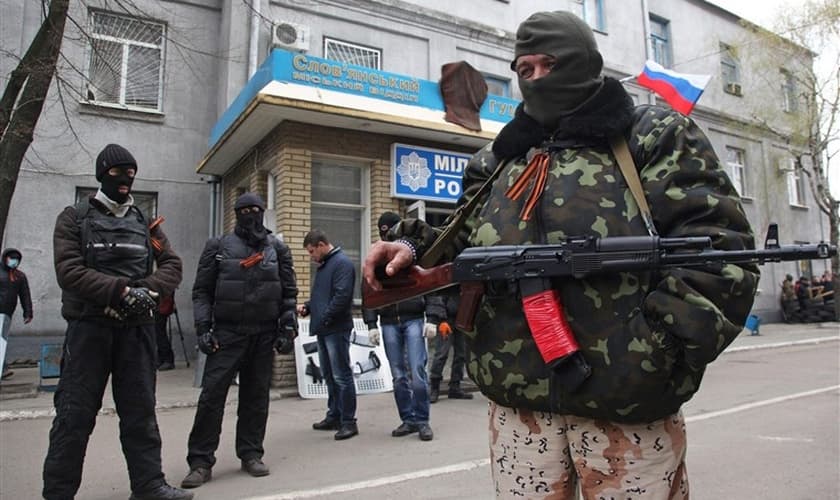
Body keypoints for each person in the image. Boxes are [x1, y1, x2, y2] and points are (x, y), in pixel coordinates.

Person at [363, 11, 759, 499]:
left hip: (628, 413)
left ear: (583, 63)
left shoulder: (651, 135)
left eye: (548, 64)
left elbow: (721, 253)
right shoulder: (501, 157)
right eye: (523, 69)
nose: (534, 79)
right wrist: (406, 246)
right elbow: (460, 239)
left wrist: (657, 355)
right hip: (518, 414)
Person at [44, 144, 191, 500]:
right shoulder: (74, 218)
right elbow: (69, 271)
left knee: (140, 412)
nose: (125, 180)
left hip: (136, 332)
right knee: (74, 415)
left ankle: (149, 486)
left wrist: (144, 292)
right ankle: (58, 493)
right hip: (89, 330)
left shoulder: (144, 222)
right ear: (101, 174)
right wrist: (120, 292)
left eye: (131, 173)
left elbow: (172, 265)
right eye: (117, 173)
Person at [181, 192, 298, 489]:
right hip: (227, 334)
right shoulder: (218, 247)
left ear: (262, 212)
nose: (250, 215)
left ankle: (250, 453)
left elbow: (288, 293)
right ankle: (200, 461)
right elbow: (201, 292)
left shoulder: (278, 249)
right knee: (211, 398)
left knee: (256, 398)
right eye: (244, 210)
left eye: (255, 210)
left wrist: (287, 328)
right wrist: (203, 328)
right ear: (236, 214)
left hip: (263, 334)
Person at [362, 212, 434, 441]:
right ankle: (408, 419)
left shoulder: (412, 255)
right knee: (398, 375)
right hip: (389, 322)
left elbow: (431, 284)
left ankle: (422, 420)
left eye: (389, 229)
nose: (385, 233)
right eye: (382, 230)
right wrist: (371, 323)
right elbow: (368, 291)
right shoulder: (377, 257)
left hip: (413, 318)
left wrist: (432, 317)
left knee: (417, 373)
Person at [298, 229, 358, 440]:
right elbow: (323, 297)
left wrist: (323, 317)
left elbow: (342, 297)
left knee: (341, 375)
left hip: (335, 328)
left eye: (312, 251)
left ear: (322, 244)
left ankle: (349, 422)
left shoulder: (342, 264)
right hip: (325, 327)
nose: (311, 256)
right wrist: (308, 307)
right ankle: (334, 415)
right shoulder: (325, 266)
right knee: (330, 376)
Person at [425, 290, 473, 403]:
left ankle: (455, 386)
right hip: (446, 318)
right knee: (441, 353)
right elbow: (438, 296)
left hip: (461, 316)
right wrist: (441, 319)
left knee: (461, 354)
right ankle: (434, 387)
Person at [0, 248, 33, 380]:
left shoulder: (19, 276)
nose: (14, 262)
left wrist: (28, 312)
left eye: (16, 260)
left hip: (7, 313)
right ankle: (2, 368)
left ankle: (2, 367)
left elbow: (25, 295)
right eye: (11, 259)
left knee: (2, 340)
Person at [155, 293, 176, 371]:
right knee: (158, 334)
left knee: (160, 334)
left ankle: (167, 359)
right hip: (160, 305)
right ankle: (162, 358)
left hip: (161, 306)